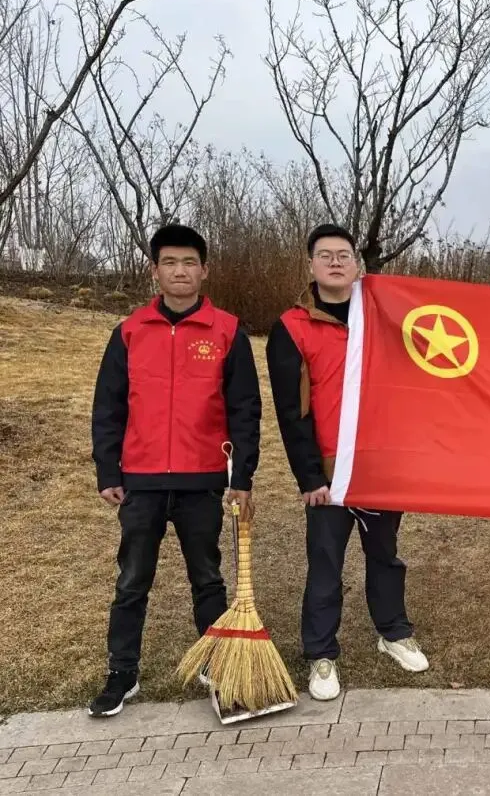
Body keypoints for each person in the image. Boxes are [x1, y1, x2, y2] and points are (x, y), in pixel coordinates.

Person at [89, 223, 261, 718]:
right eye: (169, 262)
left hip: (201, 481)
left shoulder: (227, 331)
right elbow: (108, 407)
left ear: (204, 271)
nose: (179, 271)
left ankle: (217, 666)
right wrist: (108, 471)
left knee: (207, 578)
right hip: (141, 482)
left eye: (189, 263)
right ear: (155, 270)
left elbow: (245, 410)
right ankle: (122, 673)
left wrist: (241, 478)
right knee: (132, 581)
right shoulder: (129, 332)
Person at [265, 223, 428, 701]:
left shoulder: (383, 317)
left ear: (358, 264)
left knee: (385, 555)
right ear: (311, 264)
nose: (335, 262)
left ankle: (393, 632)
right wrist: (310, 475)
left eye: (344, 255)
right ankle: (321, 653)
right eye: (326, 255)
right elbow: (291, 412)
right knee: (325, 563)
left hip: (379, 466)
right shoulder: (292, 327)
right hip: (330, 472)